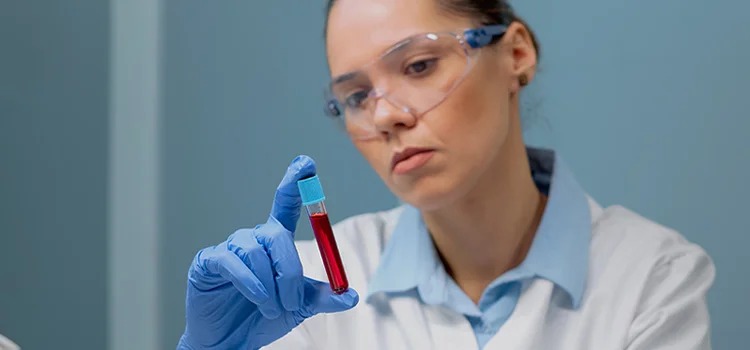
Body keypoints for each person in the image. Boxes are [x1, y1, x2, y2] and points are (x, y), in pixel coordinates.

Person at [177, 0, 715, 349]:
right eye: (357, 96)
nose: (386, 115)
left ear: (516, 55)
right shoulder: (309, 287)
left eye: (418, 66)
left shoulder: (653, 276)